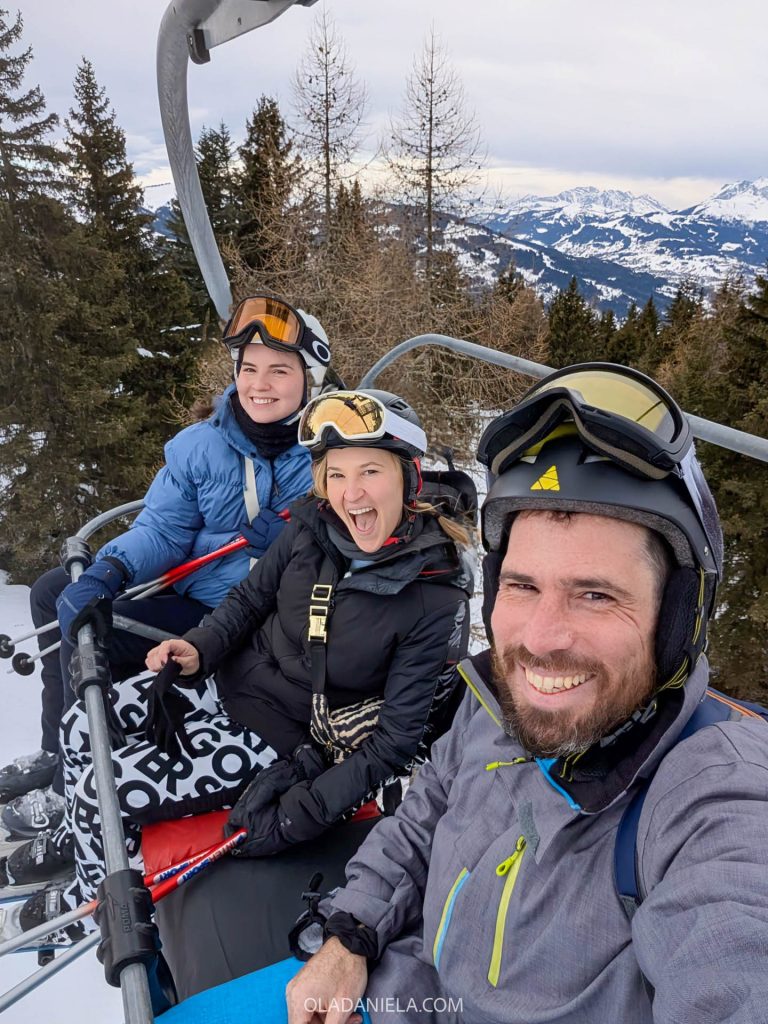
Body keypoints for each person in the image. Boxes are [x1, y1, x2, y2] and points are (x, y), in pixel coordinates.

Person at [286, 364, 768, 1024]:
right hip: (394, 990)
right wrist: (351, 933)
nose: (539, 640)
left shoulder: (713, 798)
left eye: (594, 594)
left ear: (676, 616)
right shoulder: (493, 700)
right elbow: (425, 813)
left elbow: (735, 954)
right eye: (522, 586)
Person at [9, 388, 473, 942]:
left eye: (370, 472)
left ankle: (92, 906)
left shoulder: (432, 595)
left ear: (408, 476)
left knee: (98, 787)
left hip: (283, 737)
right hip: (225, 680)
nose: (352, 495)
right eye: (337, 475)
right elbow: (251, 599)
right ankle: (85, 837)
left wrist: (307, 809)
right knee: (79, 724)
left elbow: (395, 742)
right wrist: (201, 647)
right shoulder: (312, 527)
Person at [0, 295, 333, 849]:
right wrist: (111, 568)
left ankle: (75, 789)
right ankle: (60, 750)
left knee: (96, 638)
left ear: (310, 380)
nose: (259, 384)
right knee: (59, 593)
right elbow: (164, 530)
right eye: (249, 368)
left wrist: (294, 541)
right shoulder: (201, 446)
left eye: (279, 370)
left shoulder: (330, 454)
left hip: (250, 619)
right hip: (192, 593)